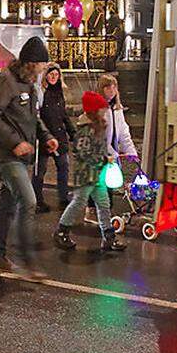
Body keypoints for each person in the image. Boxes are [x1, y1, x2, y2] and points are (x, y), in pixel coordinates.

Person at [0, 36, 57, 274]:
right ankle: (28, 260)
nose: (45, 70)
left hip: (22, 156)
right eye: (43, 66)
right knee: (29, 200)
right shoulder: (6, 81)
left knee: (7, 204)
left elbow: (33, 118)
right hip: (6, 155)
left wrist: (46, 137)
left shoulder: (29, 85)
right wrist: (15, 143)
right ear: (32, 63)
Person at [54, 91, 127, 252]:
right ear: (94, 111)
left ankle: (108, 237)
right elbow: (83, 153)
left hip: (97, 174)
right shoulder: (86, 130)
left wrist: (106, 157)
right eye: (101, 109)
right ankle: (61, 231)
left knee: (103, 204)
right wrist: (104, 159)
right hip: (86, 175)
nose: (104, 111)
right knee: (79, 202)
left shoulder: (96, 127)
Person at [33, 62, 75, 212]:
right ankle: (37, 200)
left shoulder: (59, 92)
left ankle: (63, 197)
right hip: (44, 137)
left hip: (59, 136)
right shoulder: (40, 92)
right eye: (51, 74)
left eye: (56, 75)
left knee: (63, 167)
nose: (53, 77)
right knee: (40, 171)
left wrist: (72, 132)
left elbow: (63, 115)